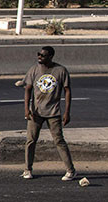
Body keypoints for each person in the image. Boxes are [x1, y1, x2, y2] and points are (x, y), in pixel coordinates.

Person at [22, 46, 75, 181]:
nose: (39, 57)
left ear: (50, 57)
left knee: (59, 141)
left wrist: (67, 112)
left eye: (43, 55)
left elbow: (67, 91)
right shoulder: (34, 69)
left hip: (53, 112)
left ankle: (70, 170)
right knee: (31, 141)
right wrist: (27, 109)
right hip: (36, 112)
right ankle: (27, 169)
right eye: (39, 54)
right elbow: (28, 89)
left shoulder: (60, 71)